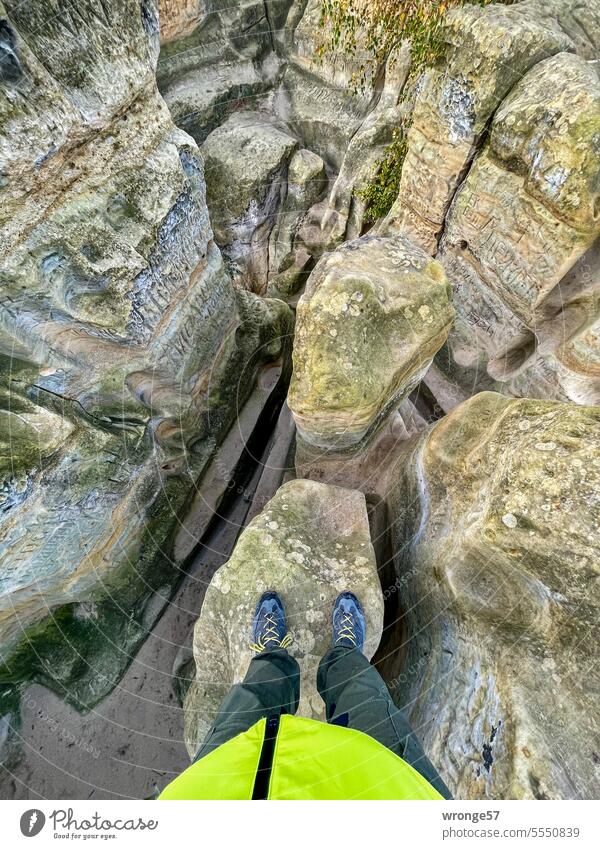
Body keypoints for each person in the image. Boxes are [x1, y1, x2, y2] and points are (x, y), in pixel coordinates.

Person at [159, 591, 452, 800]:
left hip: (215, 790)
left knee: (252, 698)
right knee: (363, 696)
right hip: (391, 790)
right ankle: (343, 653)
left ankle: (272, 654)